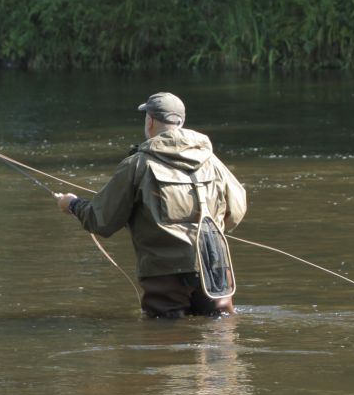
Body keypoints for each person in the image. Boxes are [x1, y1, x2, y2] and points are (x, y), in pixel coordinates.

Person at [55, 92, 247, 318]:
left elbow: (101, 220)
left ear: (150, 121)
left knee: (166, 339)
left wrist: (73, 205)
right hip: (214, 263)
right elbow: (238, 208)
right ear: (181, 122)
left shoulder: (138, 164)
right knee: (221, 332)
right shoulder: (211, 160)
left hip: (163, 272)